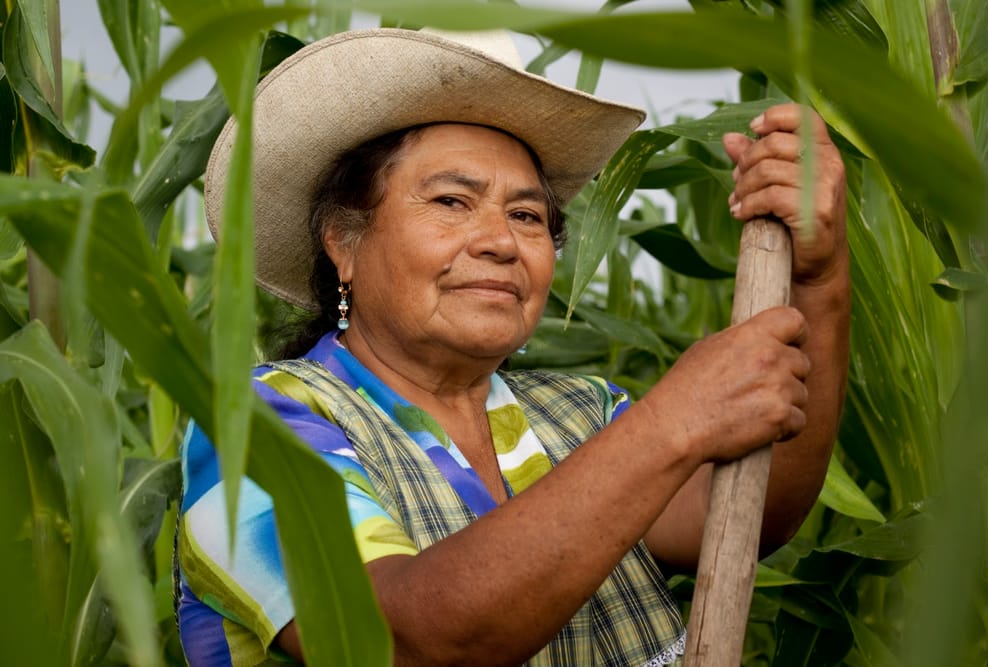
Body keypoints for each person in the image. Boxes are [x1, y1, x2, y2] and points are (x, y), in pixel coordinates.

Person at [175, 26, 849, 667]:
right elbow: (406, 639)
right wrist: (676, 420)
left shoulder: (581, 413)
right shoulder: (250, 433)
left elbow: (745, 515)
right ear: (343, 242)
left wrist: (818, 279)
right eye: (450, 202)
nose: (500, 240)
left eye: (527, 215)